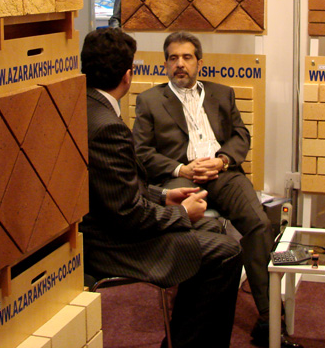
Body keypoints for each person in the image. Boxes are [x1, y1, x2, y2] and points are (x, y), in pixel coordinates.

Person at [133, 31, 300, 348]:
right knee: (196, 232)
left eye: (187, 57)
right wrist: (181, 168)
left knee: (259, 224)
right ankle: (192, 315)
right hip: (181, 177)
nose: (180, 64)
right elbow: (141, 151)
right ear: (165, 64)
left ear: (199, 62)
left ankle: (268, 319)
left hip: (222, 173)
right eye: (173, 58)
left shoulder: (222, 94)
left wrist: (222, 160)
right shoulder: (150, 100)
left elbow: (241, 136)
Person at [79, 28, 242, 348]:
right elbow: (127, 214)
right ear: (127, 76)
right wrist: (181, 213)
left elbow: (117, 188)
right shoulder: (107, 127)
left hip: (110, 224)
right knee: (227, 253)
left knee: (214, 230)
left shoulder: (86, 107)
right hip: (112, 244)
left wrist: (164, 196)